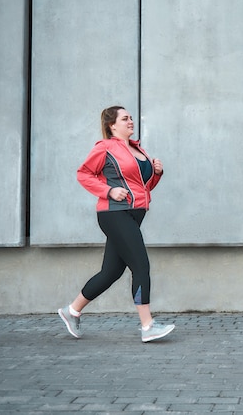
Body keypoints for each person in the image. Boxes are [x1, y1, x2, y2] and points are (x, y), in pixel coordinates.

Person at [58, 106, 175, 343]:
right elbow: (84, 174)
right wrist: (109, 190)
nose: (130, 121)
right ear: (112, 125)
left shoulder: (136, 149)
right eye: (125, 118)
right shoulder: (105, 148)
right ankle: (147, 326)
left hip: (133, 214)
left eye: (131, 117)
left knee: (111, 272)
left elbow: (142, 188)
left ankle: (72, 311)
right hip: (114, 214)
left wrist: (157, 174)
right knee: (140, 266)